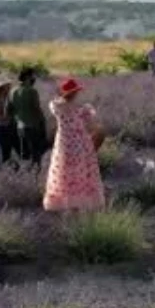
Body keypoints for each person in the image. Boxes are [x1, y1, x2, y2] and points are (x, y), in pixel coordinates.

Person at [44, 77, 105, 212]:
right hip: (80, 141)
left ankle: (65, 202)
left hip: (64, 142)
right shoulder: (82, 109)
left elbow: (53, 102)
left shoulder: (57, 107)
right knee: (81, 170)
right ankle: (82, 201)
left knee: (63, 170)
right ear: (76, 93)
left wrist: (61, 94)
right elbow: (94, 127)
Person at [9, 67, 49, 168]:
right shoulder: (32, 91)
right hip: (33, 126)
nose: (34, 78)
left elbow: (9, 110)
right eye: (32, 76)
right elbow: (37, 109)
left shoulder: (13, 91)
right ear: (27, 77)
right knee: (36, 154)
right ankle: (35, 174)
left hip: (19, 127)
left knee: (24, 154)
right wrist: (43, 122)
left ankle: (24, 173)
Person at [0, 76, 19, 167]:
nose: (9, 86)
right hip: (3, 129)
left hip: (12, 127)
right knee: (5, 154)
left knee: (21, 151)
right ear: (2, 86)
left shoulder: (8, 96)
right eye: (7, 85)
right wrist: (9, 116)